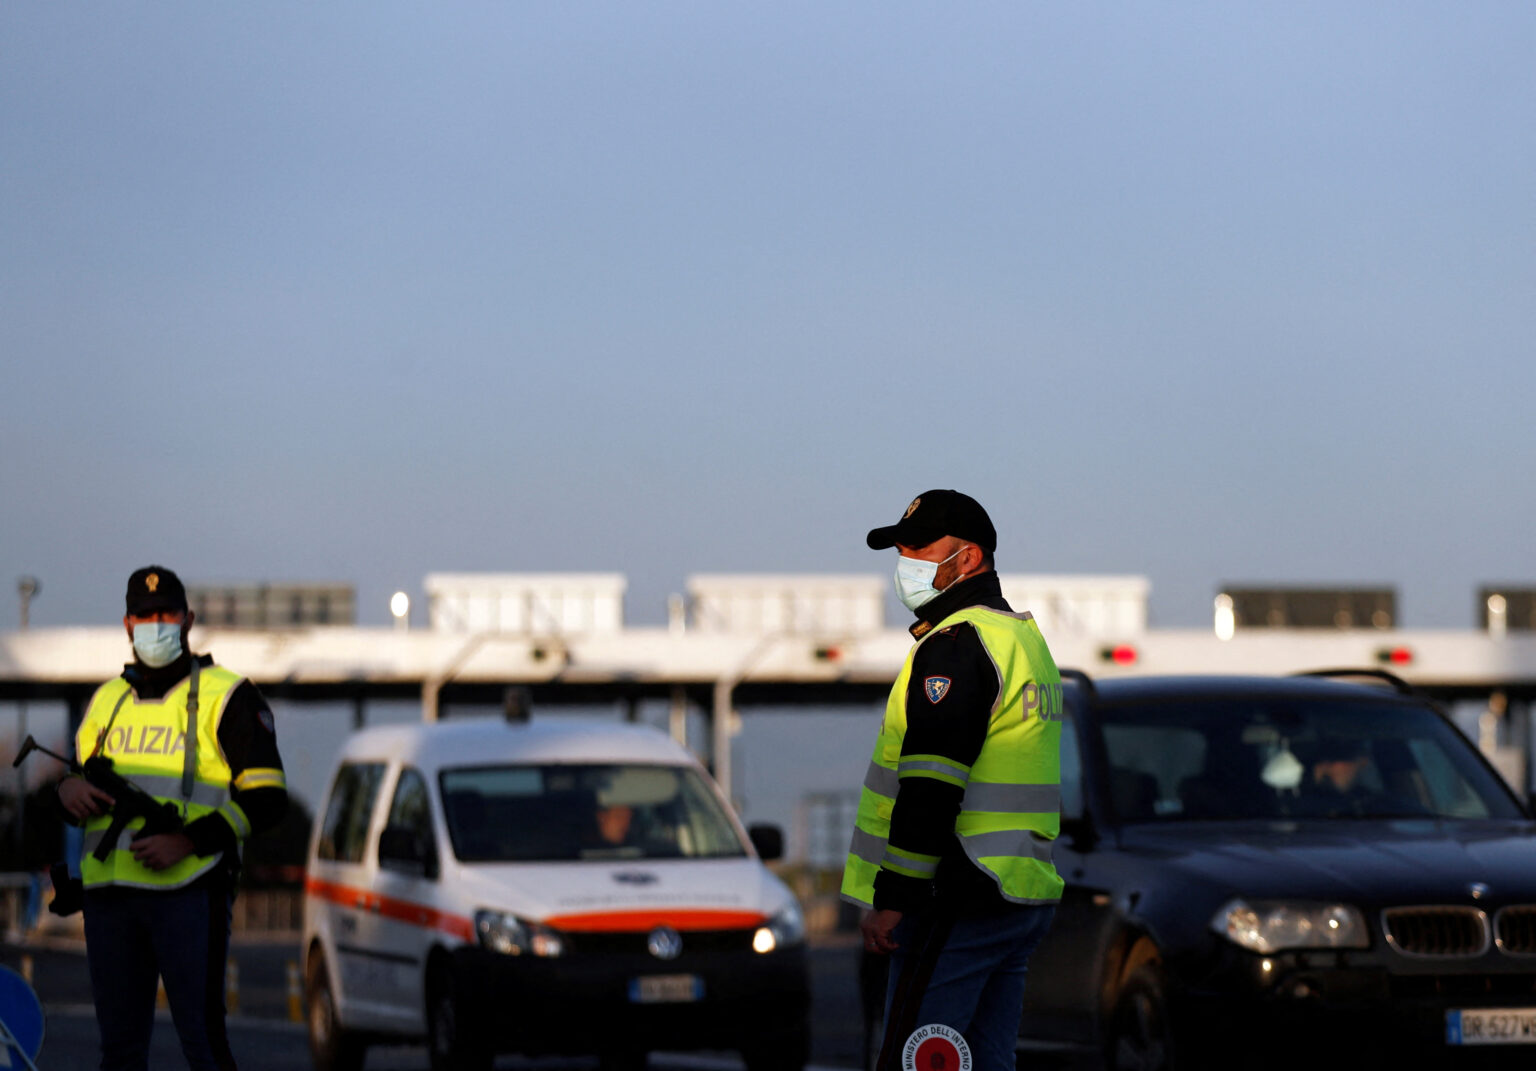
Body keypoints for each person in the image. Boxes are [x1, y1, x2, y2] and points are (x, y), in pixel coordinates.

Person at [842, 490, 1063, 1071]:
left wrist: (894, 899)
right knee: (988, 1061)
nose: (906, 563)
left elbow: (932, 786)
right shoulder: (1023, 641)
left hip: (955, 896)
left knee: (919, 1060)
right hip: (1014, 891)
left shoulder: (955, 647)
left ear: (969, 558)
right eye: (901, 551)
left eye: (920, 550)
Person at [56, 566, 287, 1071]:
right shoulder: (104, 702)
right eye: (145, 616)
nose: (156, 624)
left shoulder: (229, 695)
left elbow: (268, 800)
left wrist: (188, 842)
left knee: (203, 1048)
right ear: (127, 624)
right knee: (119, 1055)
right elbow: (74, 784)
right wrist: (65, 790)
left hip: (190, 893)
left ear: (188, 620)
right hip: (109, 902)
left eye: (167, 614)